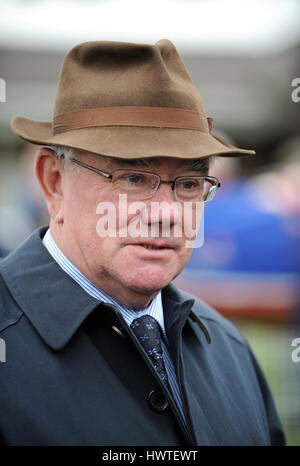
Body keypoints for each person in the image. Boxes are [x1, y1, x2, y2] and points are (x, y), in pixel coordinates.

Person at [0, 39, 285, 446]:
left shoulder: (226, 346)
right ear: (54, 182)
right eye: (133, 178)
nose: (167, 213)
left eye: (189, 183)